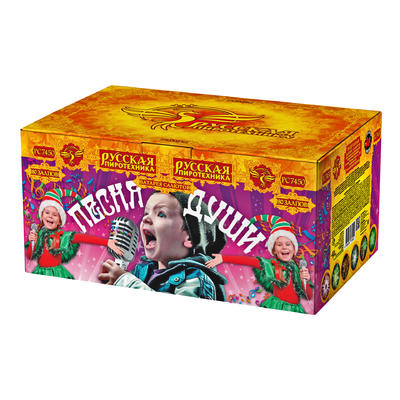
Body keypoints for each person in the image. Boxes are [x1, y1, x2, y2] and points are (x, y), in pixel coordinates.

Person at [98, 191, 227, 301]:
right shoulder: (141, 271)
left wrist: (125, 281)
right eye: (146, 213)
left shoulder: (194, 278)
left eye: (161, 214)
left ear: (190, 238)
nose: (145, 219)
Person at [205, 214, 313, 313]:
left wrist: (305, 281)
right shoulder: (271, 265)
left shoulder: (297, 268)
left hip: (296, 309)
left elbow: (308, 295)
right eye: (279, 244)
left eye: (288, 244)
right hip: (277, 306)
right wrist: (223, 258)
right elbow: (249, 261)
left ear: (294, 249)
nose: (284, 247)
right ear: (274, 250)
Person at [25, 188, 122, 279]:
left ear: (60, 221)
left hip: (57, 274)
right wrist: (33, 242)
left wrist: (107, 242)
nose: (50, 216)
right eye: (47, 213)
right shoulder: (39, 234)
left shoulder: (63, 236)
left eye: (54, 214)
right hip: (40, 272)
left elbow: (83, 238)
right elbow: (30, 256)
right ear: (42, 216)